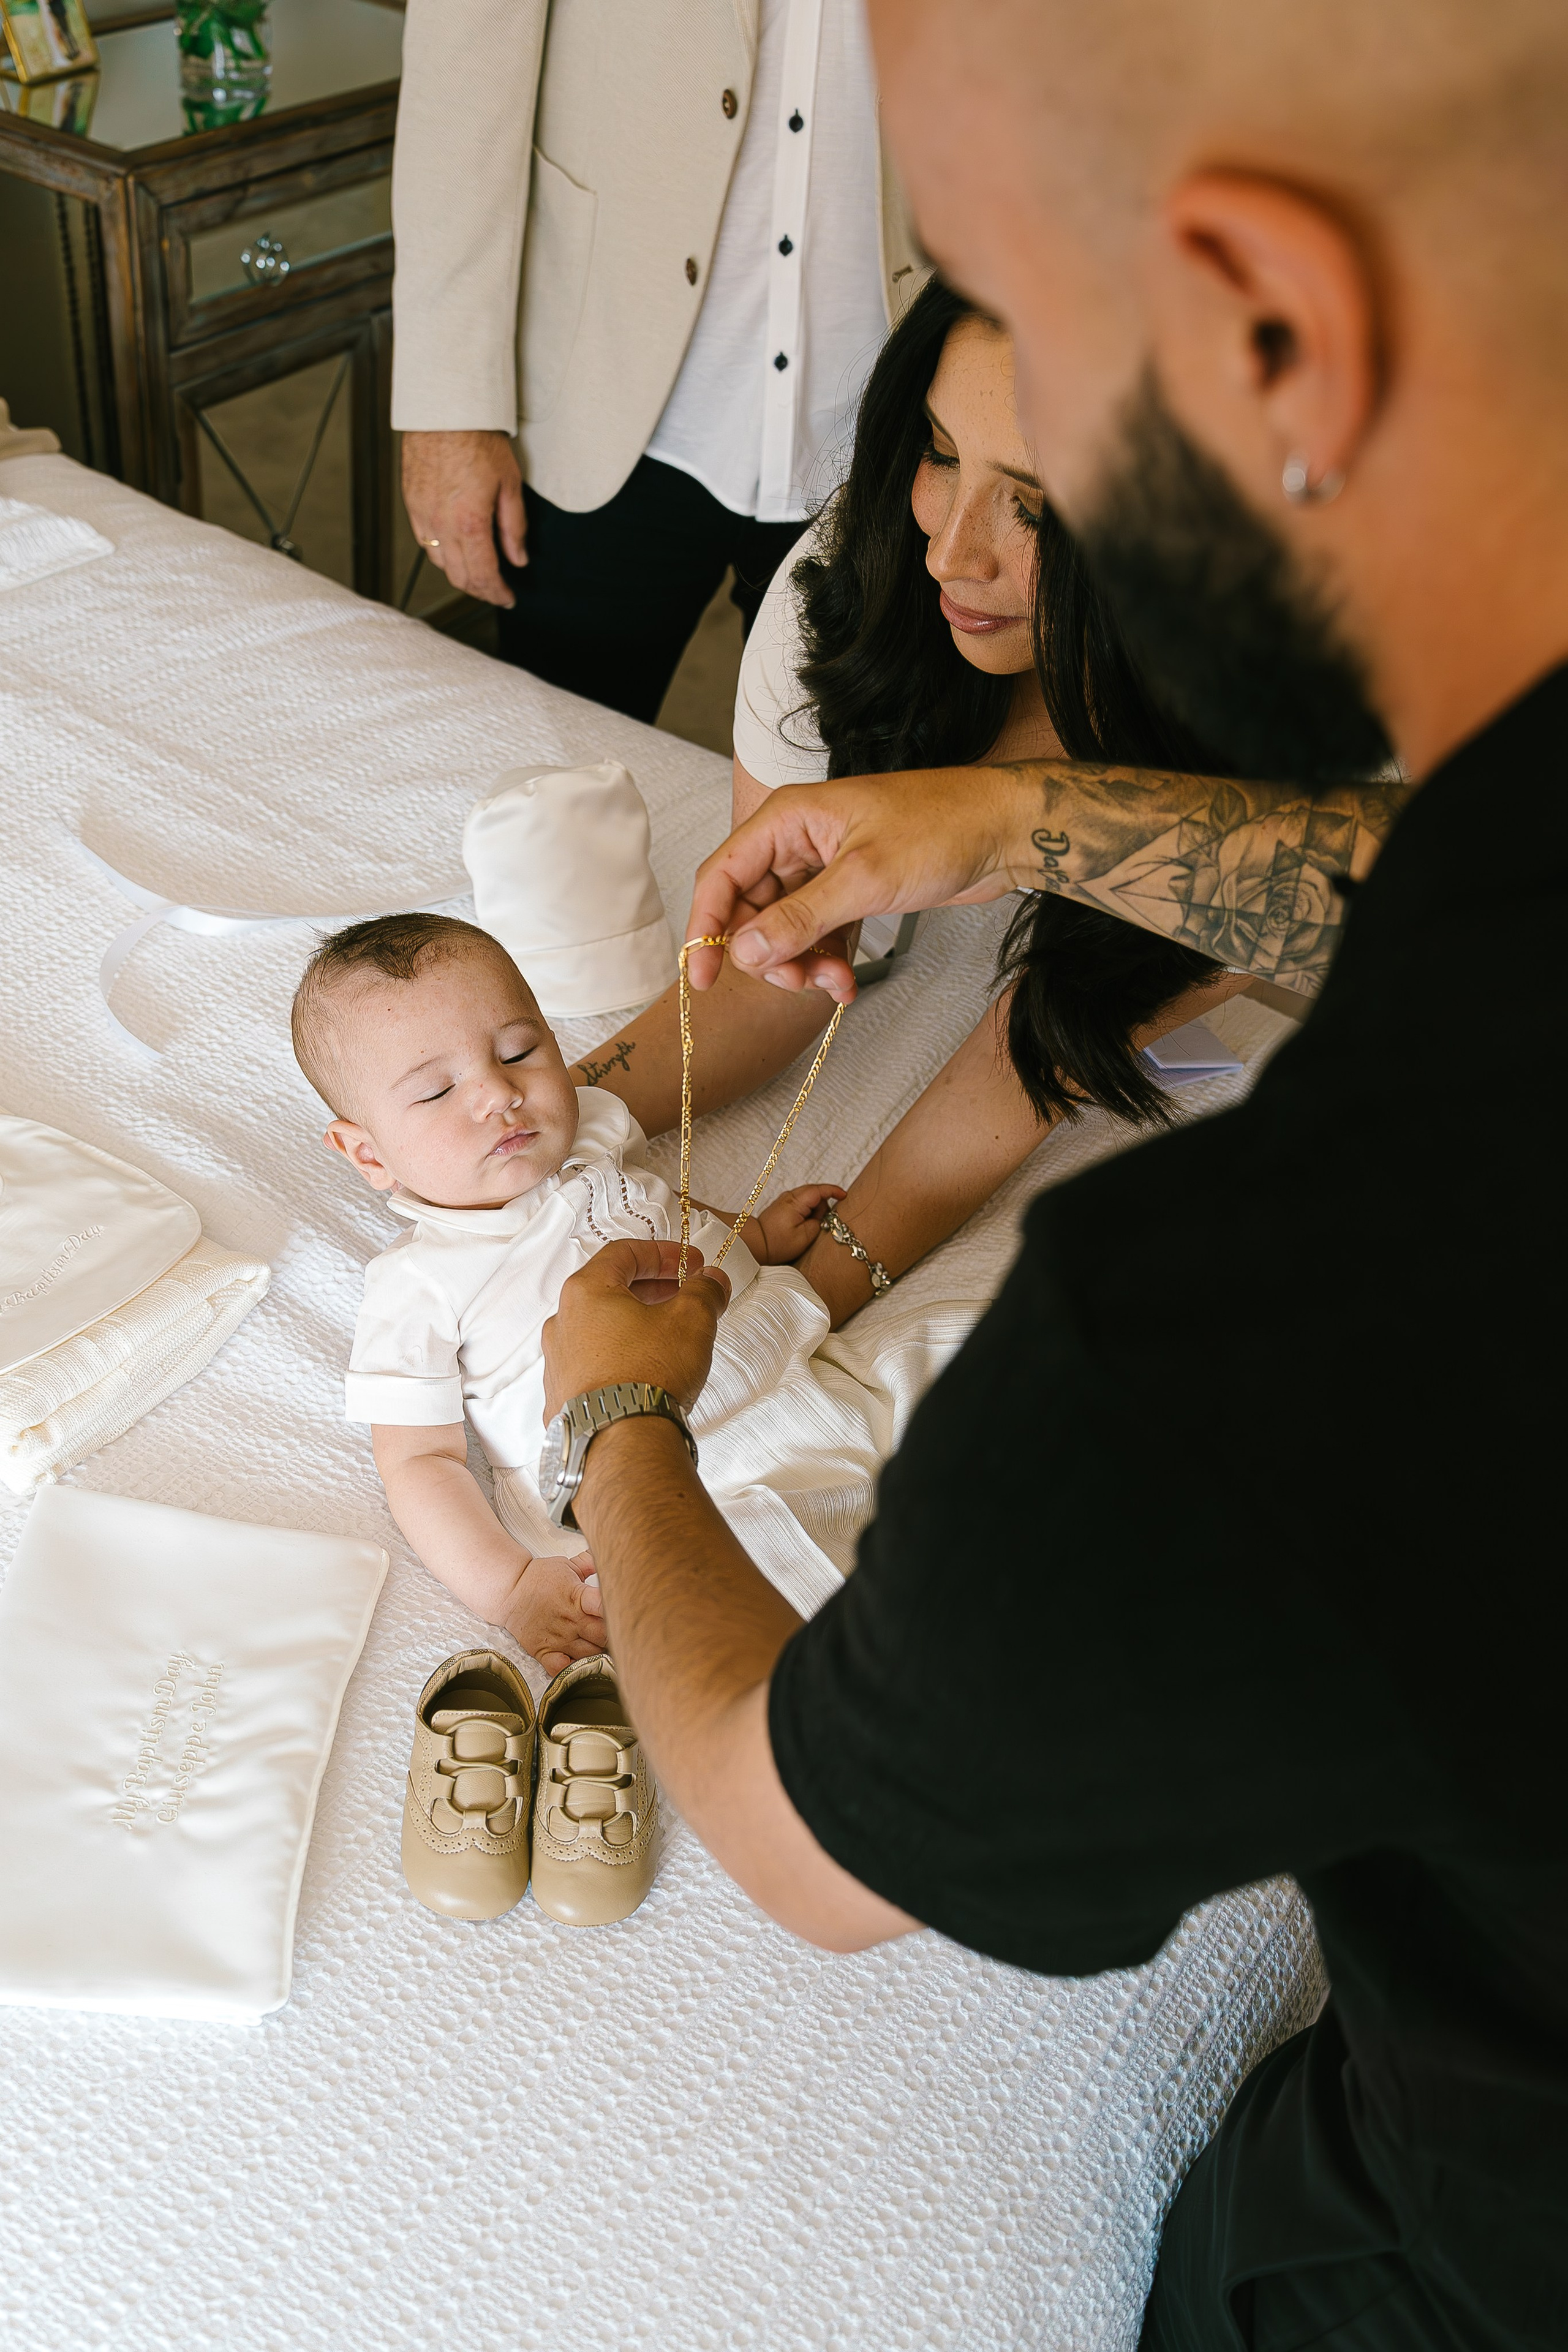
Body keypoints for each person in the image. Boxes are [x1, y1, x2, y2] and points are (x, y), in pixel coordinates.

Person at [531, 4, 1568, 2348]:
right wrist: (994, 823)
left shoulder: (1263, 1343)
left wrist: (623, 1422)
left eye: (1018, 290)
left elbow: (799, 1836)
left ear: (1259, 326)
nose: (960, 520)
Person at [561, 274, 1250, 1327]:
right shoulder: (865, 575)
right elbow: (780, 962)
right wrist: (546, 1115)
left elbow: (1044, 1041)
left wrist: (805, 1304)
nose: (949, 551)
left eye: (1038, 502)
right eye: (939, 450)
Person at [292, 913, 845, 1669]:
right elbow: (421, 1463)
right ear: (367, 1153)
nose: (498, 1093)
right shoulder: (416, 1284)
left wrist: (754, 1237)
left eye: (520, 1049)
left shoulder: (597, 1128)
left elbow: (658, 1206)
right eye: (436, 1092)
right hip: (652, 1483)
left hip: (783, 1375)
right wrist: (512, 1585)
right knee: (774, 1616)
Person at [390, 0, 920, 720]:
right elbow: (458, 78)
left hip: (886, 410)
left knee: (849, 802)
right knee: (562, 782)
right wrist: (448, 411)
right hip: (602, 385)